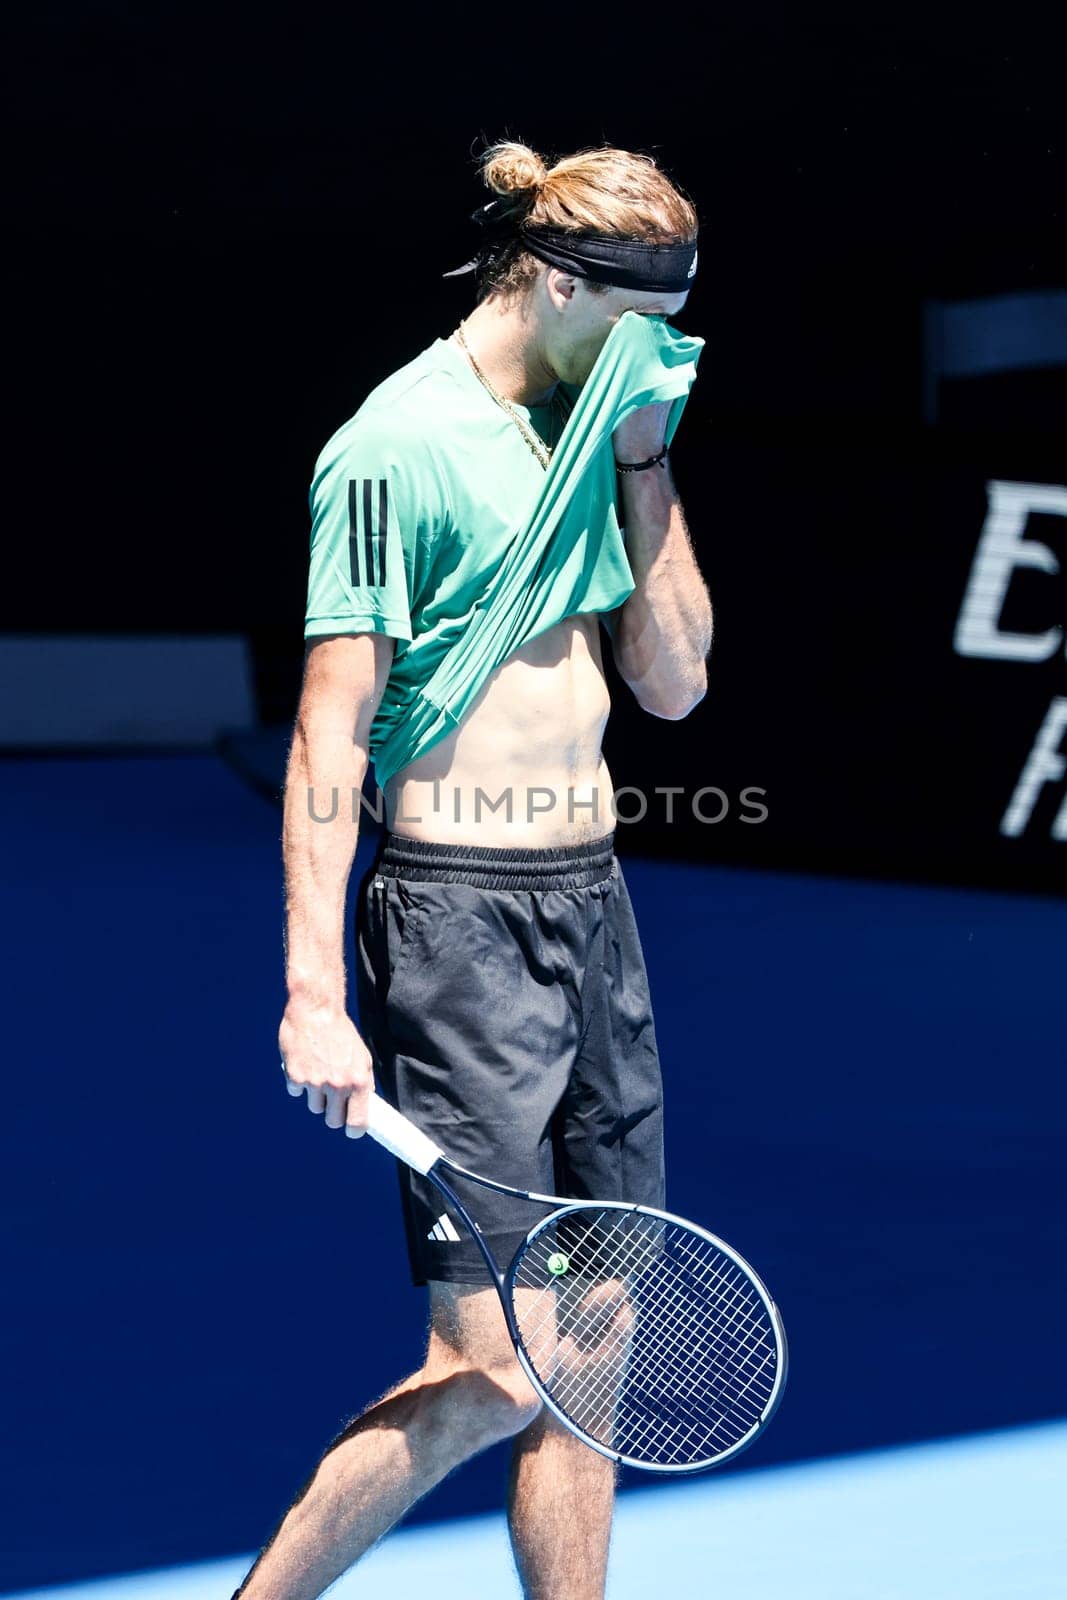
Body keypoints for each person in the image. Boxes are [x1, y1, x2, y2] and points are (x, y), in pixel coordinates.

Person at [235, 138, 713, 1600]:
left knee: (597, 1342)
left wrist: (643, 456)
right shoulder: (394, 448)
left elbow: (678, 682)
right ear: (561, 280)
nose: (675, 351)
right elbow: (328, 739)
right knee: (496, 1372)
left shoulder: (600, 427)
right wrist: (316, 994)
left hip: (594, 910)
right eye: (655, 321)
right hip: (458, 930)